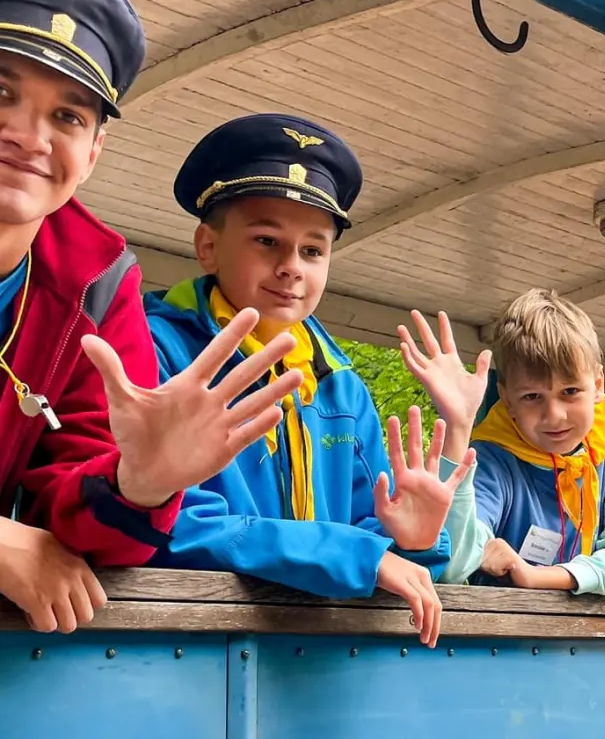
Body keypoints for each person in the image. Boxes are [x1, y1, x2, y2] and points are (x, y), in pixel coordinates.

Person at [0, 0, 299, 635]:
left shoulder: (97, 284)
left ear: (94, 153)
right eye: (2, 92)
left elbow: (79, 513)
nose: (29, 136)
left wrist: (142, 484)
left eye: (69, 116)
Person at [145, 114, 464, 646]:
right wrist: (352, 556)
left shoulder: (340, 385)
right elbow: (164, 522)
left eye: (313, 250)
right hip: (186, 649)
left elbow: (376, 539)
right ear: (207, 246)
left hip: (317, 655)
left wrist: (413, 540)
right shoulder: (156, 350)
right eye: (267, 240)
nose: (292, 266)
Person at [402, 288, 605, 595]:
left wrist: (540, 576)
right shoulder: (492, 455)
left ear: (598, 385)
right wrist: (457, 426)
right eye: (533, 396)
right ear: (507, 398)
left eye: (570, 391)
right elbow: (452, 566)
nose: (555, 416)